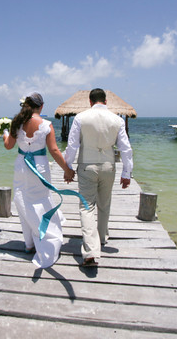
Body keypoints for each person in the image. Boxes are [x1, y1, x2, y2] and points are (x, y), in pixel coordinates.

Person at [2, 92, 76, 269]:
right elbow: (55, 151)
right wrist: (67, 169)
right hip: (40, 166)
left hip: (21, 166)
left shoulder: (17, 123)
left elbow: (8, 146)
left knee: (22, 201)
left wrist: (5, 133)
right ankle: (44, 236)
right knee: (41, 200)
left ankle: (29, 244)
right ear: (41, 106)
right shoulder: (46, 125)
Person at [64, 88, 133, 267]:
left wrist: (68, 167)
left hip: (87, 165)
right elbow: (125, 149)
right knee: (104, 203)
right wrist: (127, 173)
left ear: (90, 101)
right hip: (109, 167)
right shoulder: (117, 120)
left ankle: (91, 251)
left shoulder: (81, 118)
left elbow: (72, 146)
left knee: (87, 207)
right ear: (106, 101)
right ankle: (101, 239)